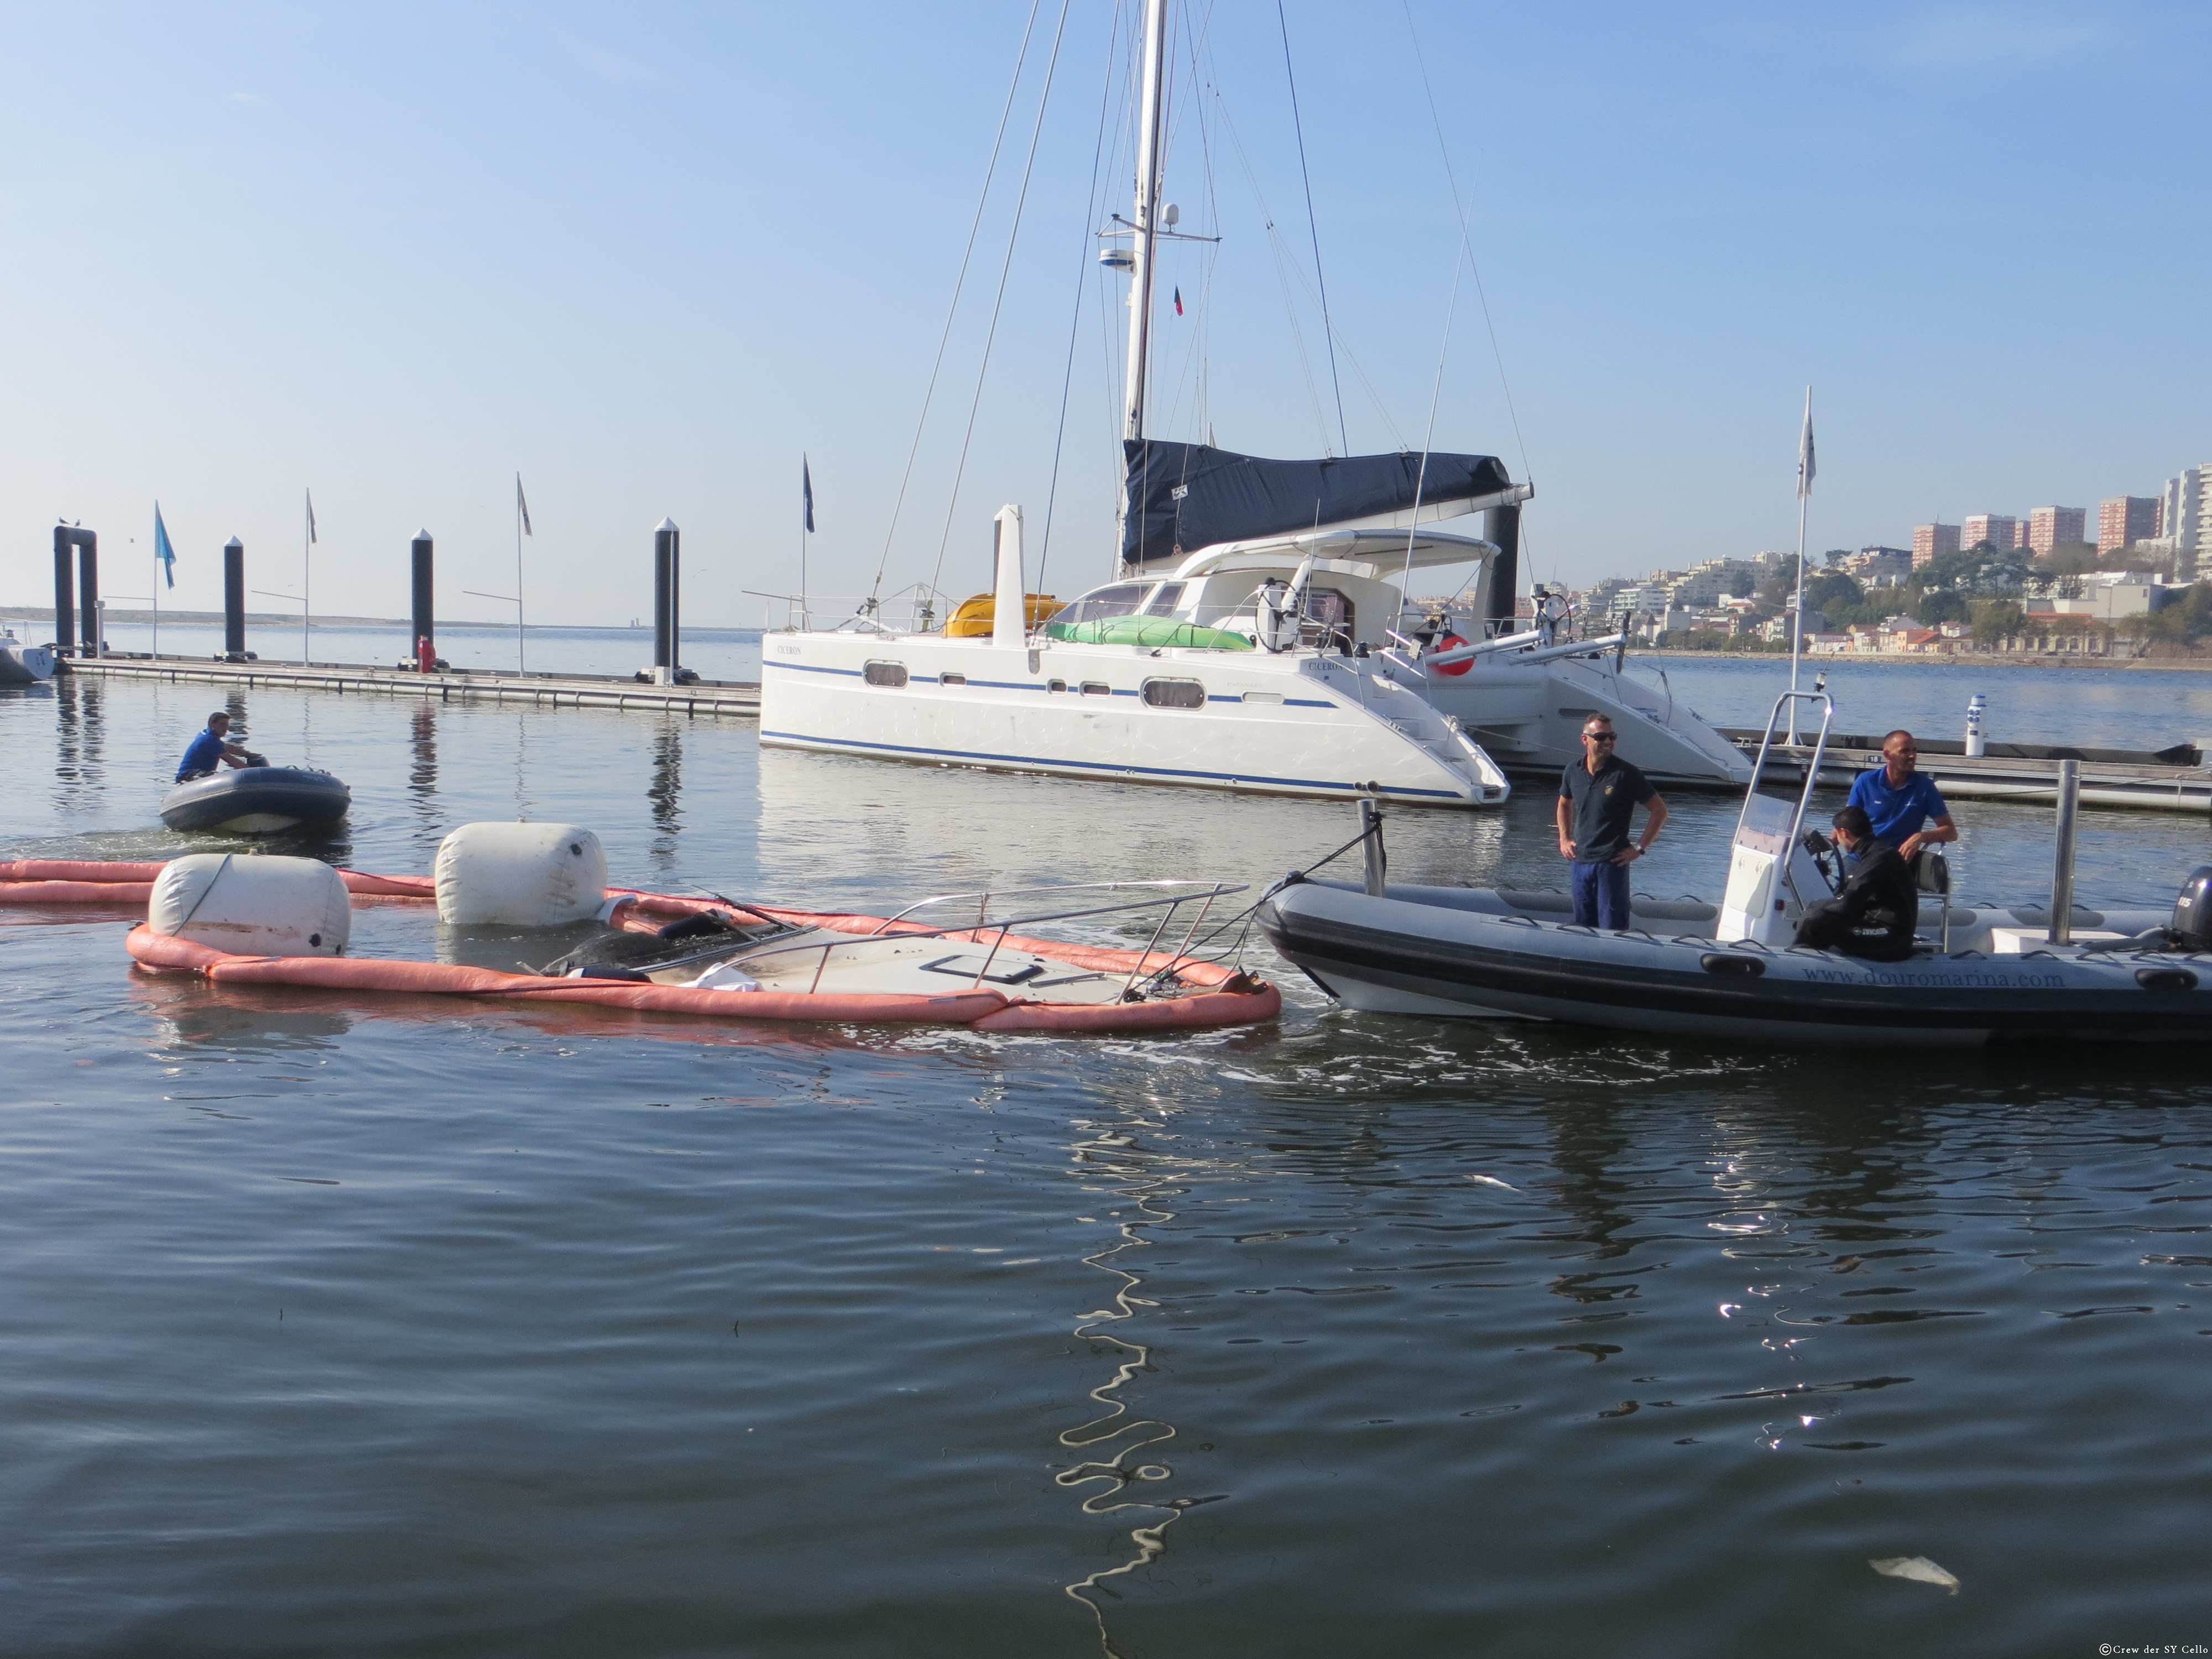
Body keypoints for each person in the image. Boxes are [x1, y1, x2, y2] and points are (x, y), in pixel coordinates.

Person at [1557, 716, 1668, 928]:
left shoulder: (1625, 773)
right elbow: (1563, 804)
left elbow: (1660, 811)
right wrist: (1564, 839)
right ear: (1585, 740)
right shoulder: (1573, 771)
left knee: (1612, 928)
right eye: (1601, 737)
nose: (1608, 741)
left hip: (1611, 863)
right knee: (1583, 927)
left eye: (1612, 736)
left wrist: (1640, 847)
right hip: (1581, 861)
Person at [1793, 804, 1918, 961]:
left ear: (1844, 833)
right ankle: (1809, 956)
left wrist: (1812, 910)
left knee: (1815, 919)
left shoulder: (1878, 858)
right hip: (1874, 924)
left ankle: (1801, 962)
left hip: (1891, 935)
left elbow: (1847, 905)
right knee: (1815, 915)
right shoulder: (1874, 854)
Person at [1846, 729, 1957, 862]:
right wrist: (1828, 845)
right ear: (1888, 755)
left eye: (1914, 750)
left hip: (1899, 863)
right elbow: (1845, 823)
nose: (1912, 756)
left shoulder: (1925, 787)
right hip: (1862, 858)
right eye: (1904, 751)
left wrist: (1921, 837)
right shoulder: (1866, 781)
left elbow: (1951, 832)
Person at [175, 712, 248, 782]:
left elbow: (227, 747)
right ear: (212, 724)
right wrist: (255, 772)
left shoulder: (204, 734)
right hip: (190, 776)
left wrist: (249, 755)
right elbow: (235, 763)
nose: (225, 728)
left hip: (187, 774)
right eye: (222, 725)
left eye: (227, 725)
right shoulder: (210, 741)